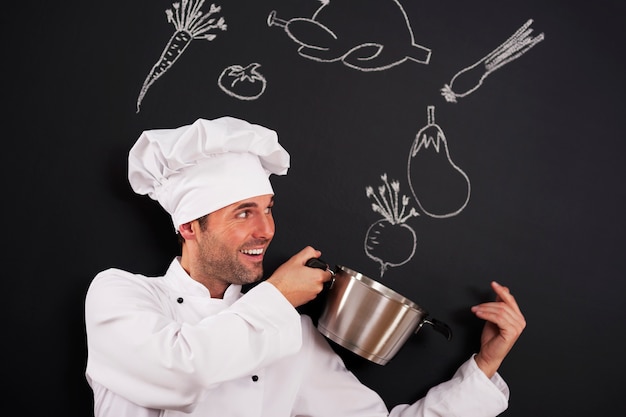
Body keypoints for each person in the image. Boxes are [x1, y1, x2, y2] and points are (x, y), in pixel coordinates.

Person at [84, 116, 526, 417]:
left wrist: (485, 365)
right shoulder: (120, 296)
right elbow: (183, 370)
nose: (265, 230)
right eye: (243, 212)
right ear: (189, 226)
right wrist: (276, 297)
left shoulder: (290, 334)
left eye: (268, 208)